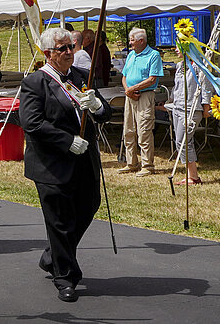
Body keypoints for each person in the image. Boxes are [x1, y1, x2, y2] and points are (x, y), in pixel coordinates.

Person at [19, 27, 111, 302]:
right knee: (59, 221)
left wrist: (96, 107)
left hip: (84, 160)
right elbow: (32, 123)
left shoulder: (81, 77)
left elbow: (105, 113)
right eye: (63, 48)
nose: (70, 52)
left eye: (71, 46)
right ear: (49, 54)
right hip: (52, 164)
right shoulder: (36, 82)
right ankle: (65, 277)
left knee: (87, 206)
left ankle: (53, 256)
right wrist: (66, 140)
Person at [119, 27, 163, 176]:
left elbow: (152, 79)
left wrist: (134, 89)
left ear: (141, 41)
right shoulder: (131, 55)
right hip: (130, 96)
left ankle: (148, 165)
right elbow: (124, 76)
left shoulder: (154, 55)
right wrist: (128, 90)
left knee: (144, 130)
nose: (130, 43)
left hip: (145, 96)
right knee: (128, 130)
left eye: (132, 40)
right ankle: (131, 163)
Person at [169, 46, 211, 185]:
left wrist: (206, 106)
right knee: (181, 141)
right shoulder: (180, 65)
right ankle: (191, 175)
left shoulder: (199, 66)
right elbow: (177, 87)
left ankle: (194, 176)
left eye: (178, 47)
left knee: (183, 141)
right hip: (178, 107)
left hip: (191, 109)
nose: (175, 50)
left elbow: (206, 87)